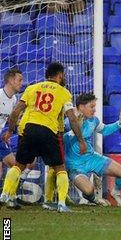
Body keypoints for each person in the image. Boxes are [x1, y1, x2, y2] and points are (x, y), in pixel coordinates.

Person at [0, 62, 87, 212]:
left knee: (19, 165)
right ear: (59, 75)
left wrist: (10, 131)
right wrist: (81, 140)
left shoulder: (32, 88)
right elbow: (72, 118)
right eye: (63, 75)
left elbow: (16, 112)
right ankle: (61, 204)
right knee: (60, 168)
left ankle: (5, 195)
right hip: (48, 131)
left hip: (29, 129)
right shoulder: (64, 92)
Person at [61, 94, 121, 208]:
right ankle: (94, 199)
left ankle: (116, 192)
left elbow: (105, 130)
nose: (94, 110)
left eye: (94, 106)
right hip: (75, 165)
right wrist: (75, 129)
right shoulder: (68, 122)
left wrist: (120, 122)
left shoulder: (93, 120)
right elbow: (63, 137)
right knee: (88, 191)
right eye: (91, 107)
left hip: (92, 158)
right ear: (81, 107)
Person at [0, 69, 31, 189]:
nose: (22, 83)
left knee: (15, 166)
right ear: (11, 80)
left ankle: (8, 195)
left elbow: (9, 120)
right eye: (20, 80)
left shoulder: (13, 100)